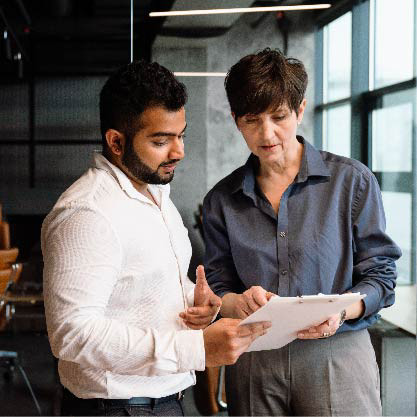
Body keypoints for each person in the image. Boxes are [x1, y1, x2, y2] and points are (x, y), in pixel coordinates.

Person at [41, 60, 270, 417]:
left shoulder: (155, 193)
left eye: (181, 135)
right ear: (116, 142)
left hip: (164, 399)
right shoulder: (87, 213)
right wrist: (194, 349)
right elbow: (72, 334)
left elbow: (140, 289)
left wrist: (212, 306)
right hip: (117, 407)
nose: (178, 152)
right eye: (161, 140)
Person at [202, 48, 401, 416]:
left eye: (278, 117)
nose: (267, 133)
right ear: (235, 119)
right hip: (253, 356)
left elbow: (381, 276)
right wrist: (236, 302)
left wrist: (341, 312)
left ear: (300, 109)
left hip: (337, 352)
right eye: (251, 120)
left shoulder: (352, 182)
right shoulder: (221, 201)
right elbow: (217, 286)